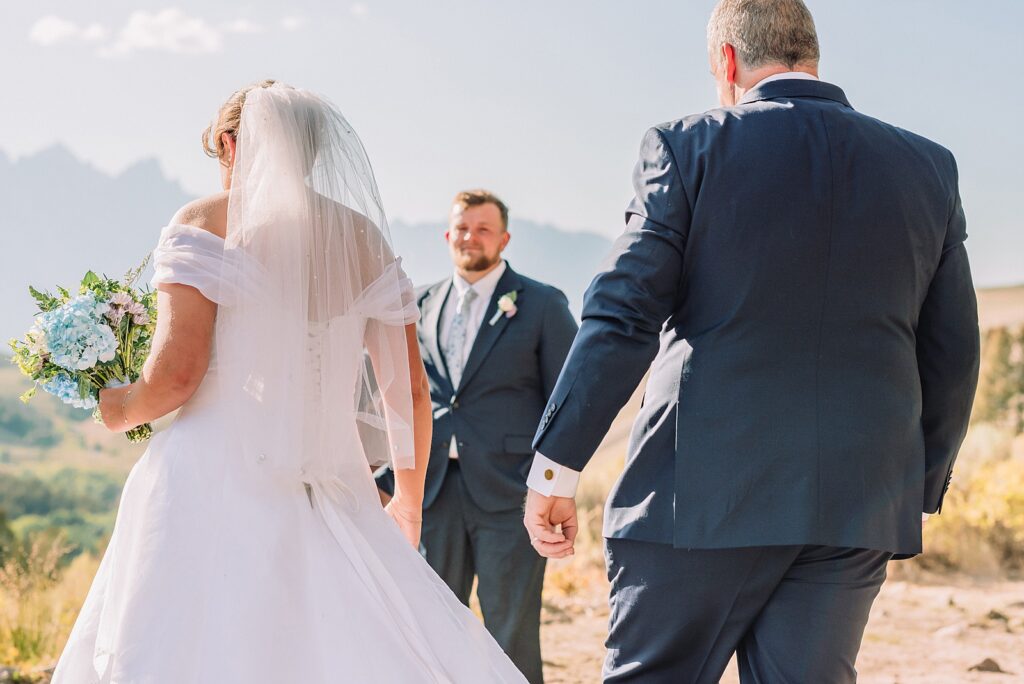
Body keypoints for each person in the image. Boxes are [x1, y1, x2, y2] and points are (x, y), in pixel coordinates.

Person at [523, 1, 981, 682]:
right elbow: (953, 351)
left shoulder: (685, 147)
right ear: (811, 55)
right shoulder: (927, 167)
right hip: (855, 504)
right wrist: (912, 483)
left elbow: (621, 318)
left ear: (727, 61)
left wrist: (557, 466)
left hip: (698, 499)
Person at [52, 81, 526, 683]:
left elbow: (176, 374)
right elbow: (407, 390)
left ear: (229, 144)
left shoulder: (204, 222)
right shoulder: (362, 239)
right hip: (331, 482)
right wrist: (408, 501)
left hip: (209, 479)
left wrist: (118, 406)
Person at [377, 190, 578, 683]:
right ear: (448, 235)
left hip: (510, 495)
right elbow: (403, 397)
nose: (470, 237)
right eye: (462, 228)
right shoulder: (419, 305)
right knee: (430, 626)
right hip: (435, 492)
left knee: (510, 630)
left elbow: (569, 399)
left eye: (483, 229)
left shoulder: (543, 304)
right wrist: (387, 476)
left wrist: (552, 483)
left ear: (504, 239)